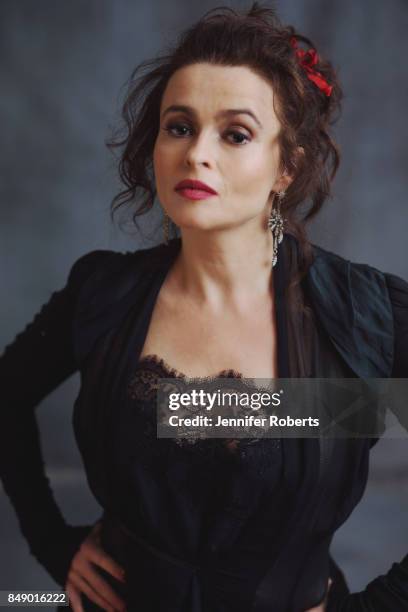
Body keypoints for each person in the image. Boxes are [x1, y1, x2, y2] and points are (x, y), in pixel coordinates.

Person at [1, 3, 407, 611]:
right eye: (179, 126)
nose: (196, 154)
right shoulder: (103, 295)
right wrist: (54, 546)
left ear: (286, 167)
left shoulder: (363, 315)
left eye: (235, 133)